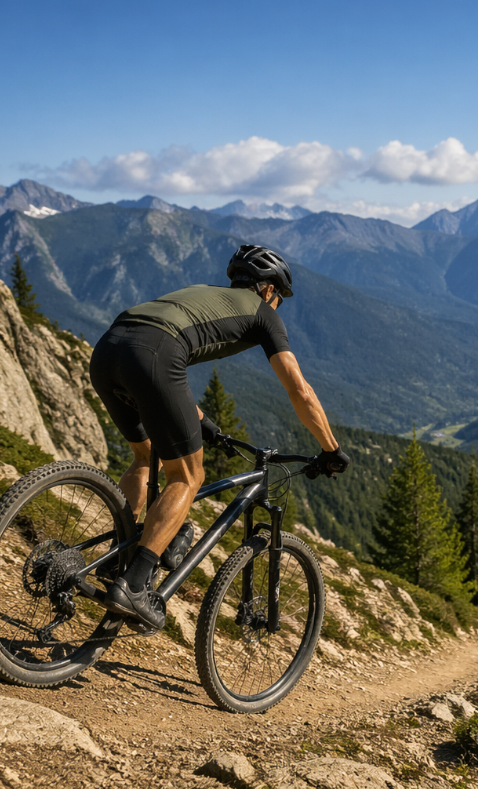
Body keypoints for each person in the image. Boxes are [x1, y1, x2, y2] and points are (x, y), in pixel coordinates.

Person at [88, 244, 350, 629]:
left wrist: (203, 423)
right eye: (279, 298)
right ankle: (134, 583)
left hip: (108, 351)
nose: (277, 306)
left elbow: (157, 356)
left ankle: (116, 556)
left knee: (145, 458)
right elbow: (300, 391)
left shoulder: (203, 293)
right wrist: (331, 448)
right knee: (188, 477)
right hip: (154, 357)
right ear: (268, 289)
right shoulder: (263, 314)